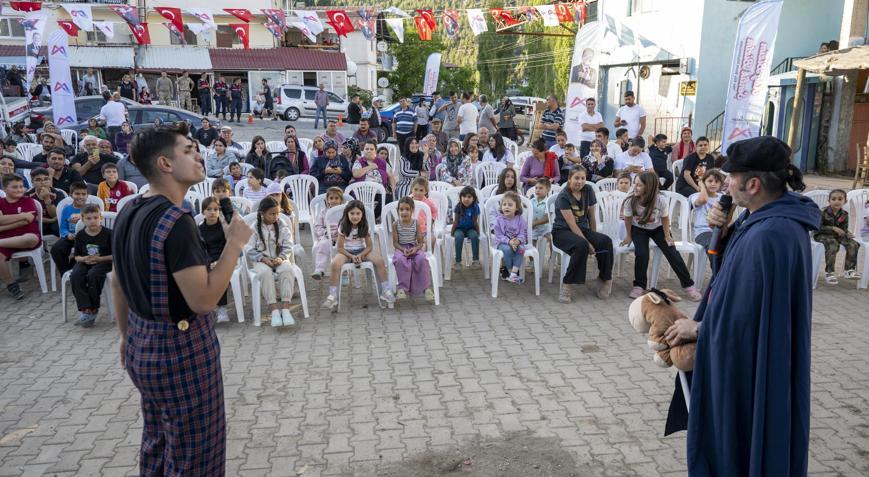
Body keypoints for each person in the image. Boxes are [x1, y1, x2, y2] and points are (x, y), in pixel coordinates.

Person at [661, 136, 818, 476]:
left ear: (754, 183)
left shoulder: (770, 234)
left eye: (732, 177)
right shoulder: (764, 219)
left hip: (748, 365)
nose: (727, 183)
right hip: (754, 356)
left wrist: (699, 328)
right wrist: (725, 230)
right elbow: (732, 280)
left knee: (737, 442)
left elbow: (746, 318)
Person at [112, 124, 252, 475]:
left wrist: (126, 335)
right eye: (188, 150)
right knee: (195, 458)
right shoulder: (177, 221)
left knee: (158, 444)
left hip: (142, 347)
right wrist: (234, 243)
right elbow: (204, 299)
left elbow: (117, 282)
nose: (198, 155)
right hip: (181, 353)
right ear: (165, 163)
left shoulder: (130, 209)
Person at [620, 171, 702, 301]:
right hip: (639, 229)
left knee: (672, 253)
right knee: (642, 254)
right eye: (635, 184)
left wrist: (667, 236)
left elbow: (665, 218)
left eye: (639, 185)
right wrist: (629, 236)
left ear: (649, 187)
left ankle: (688, 285)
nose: (635, 187)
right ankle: (639, 285)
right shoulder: (630, 200)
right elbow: (628, 219)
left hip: (659, 229)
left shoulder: (660, 200)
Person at [551, 166, 613, 303]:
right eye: (576, 178)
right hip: (562, 232)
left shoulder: (588, 190)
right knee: (581, 245)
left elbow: (591, 216)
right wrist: (589, 243)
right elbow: (572, 224)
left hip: (583, 230)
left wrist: (594, 237)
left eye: (583, 178)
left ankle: (605, 278)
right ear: (569, 179)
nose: (579, 181)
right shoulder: (563, 196)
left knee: (605, 242)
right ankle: (567, 284)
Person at [321, 200, 395, 310]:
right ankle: (333, 295)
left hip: (362, 250)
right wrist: (351, 256)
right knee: (334, 264)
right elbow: (339, 247)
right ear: (347, 214)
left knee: (379, 260)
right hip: (346, 252)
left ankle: (385, 290)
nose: (355, 216)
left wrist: (360, 255)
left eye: (358, 213)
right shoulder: (343, 226)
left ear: (362, 214)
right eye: (352, 213)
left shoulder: (364, 225)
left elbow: (369, 246)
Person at [246, 196, 297, 327]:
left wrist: (281, 257)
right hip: (261, 261)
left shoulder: (282, 225)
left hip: (280, 259)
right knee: (265, 273)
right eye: (272, 214)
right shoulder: (254, 228)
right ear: (262, 213)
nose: (275, 216)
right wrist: (263, 258)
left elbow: (288, 245)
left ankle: (286, 308)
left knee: (287, 270)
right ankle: (274, 309)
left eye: (277, 213)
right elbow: (248, 248)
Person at [69, 204, 113, 327]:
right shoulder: (81, 235)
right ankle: (85, 309)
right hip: (85, 261)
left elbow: (116, 255)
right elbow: (76, 256)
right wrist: (84, 259)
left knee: (93, 275)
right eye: (88, 218)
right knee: (76, 275)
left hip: (104, 261)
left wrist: (100, 258)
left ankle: (93, 308)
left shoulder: (109, 234)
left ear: (101, 218)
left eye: (95, 217)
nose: (92, 221)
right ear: (82, 219)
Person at [0, 174, 42, 299]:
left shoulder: (27, 200)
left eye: (21, 186)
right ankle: (11, 285)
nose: (19, 189)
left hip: (27, 237)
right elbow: (0, 220)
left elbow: (29, 220)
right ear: (5, 189)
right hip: (6, 240)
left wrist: (5, 221)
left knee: (30, 239)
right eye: (14, 187)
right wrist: (22, 215)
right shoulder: (0, 202)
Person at [391, 196, 434, 301]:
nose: (404, 212)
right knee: (400, 260)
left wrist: (415, 249)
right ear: (398, 211)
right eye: (401, 209)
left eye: (407, 209)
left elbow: (420, 242)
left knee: (421, 259)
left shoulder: (416, 223)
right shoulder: (395, 224)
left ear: (412, 211)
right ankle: (402, 288)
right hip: (401, 248)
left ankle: (426, 288)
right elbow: (395, 243)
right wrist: (402, 250)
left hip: (414, 247)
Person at [815, 189, 861, 284]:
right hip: (822, 235)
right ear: (829, 201)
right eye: (833, 199)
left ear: (845, 201)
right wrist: (832, 228)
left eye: (840, 199)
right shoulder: (823, 212)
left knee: (853, 244)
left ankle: (849, 270)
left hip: (837, 235)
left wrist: (847, 233)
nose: (837, 201)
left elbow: (843, 228)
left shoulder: (844, 214)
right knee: (833, 244)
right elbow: (817, 227)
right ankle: (830, 272)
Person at [198, 198, 231, 323]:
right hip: (207, 260)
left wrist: (220, 261)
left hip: (223, 259)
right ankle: (208, 309)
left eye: (216, 209)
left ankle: (222, 308)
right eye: (209, 209)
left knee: (218, 274)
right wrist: (209, 262)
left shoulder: (223, 227)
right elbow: (200, 249)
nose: (212, 212)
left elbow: (228, 246)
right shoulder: (199, 229)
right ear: (203, 212)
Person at [689, 168, 725, 258]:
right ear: (704, 183)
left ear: (720, 184)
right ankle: (717, 271)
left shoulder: (722, 197)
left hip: (720, 231)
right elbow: (703, 200)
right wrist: (701, 185)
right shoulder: (696, 197)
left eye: (716, 182)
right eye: (710, 181)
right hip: (703, 232)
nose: (713, 184)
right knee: (714, 247)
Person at [312, 187, 345, 279]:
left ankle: (344, 274)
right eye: (331, 198)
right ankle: (320, 270)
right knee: (322, 245)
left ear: (341, 200)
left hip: (341, 236)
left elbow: (348, 224)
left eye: (336, 198)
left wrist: (342, 233)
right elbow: (318, 226)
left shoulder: (345, 211)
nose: (333, 200)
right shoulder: (323, 212)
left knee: (343, 250)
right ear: (327, 200)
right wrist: (324, 233)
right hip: (327, 235)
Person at [352, 142, 395, 215]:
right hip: (363, 191)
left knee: (388, 198)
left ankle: (373, 218)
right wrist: (370, 167)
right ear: (363, 150)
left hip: (379, 191)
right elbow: (356, 174)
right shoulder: (359, 162)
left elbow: (391, 176)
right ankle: (369, 219)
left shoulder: (382, 162)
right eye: (367, 149)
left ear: (375, 151)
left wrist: (392, 187)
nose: (369, 151)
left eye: (371, 149)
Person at [494, 192, 527, 284]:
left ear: (516, 207)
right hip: (503, 243)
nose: (506, 207)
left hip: (517, 243)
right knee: (508, 250)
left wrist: (518, 241)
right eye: (504, 204)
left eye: (510, 205)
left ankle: (513, 273)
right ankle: (509, 270)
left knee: (521, 249)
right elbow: (498, 235)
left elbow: (523, 233)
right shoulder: (498, 220)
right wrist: (509, 241)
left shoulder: (520, 219)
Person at [26, 168, 64, 236]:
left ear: (50, 180)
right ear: (32, 182)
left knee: (57, 228)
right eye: (38, 180)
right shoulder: (27, 196)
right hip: (38, 221)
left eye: (46, 179)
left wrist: (47, 198)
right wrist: (51, 220)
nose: (43, 182)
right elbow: (32, 217)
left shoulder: (58, 194)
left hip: (56, 222)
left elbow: (55, 215)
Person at [451, 186, 481, 267]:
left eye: (469, 197)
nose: (466, 199)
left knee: (474, 236)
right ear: (460, 197)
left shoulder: (475, 207)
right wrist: (452, 232)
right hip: (459, 229)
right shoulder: (458, 206)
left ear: (473, 198)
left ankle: (476, 260)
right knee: (459, 237)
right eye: (464, 196)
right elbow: (456, 221)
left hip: (471, 228)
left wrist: (478, 232)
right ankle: (458, 261)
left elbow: (475, 221)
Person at [530, 177, 552, 244]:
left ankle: (552, 254)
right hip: (533, 228)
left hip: (545, 229)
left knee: (551, 239)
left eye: (541, 188)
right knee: (531, 242)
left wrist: (533, 223)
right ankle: (533, 254)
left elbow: (547, 218)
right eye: (536, 188)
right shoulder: (531, 201)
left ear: (548, 190)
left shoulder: (549, 202)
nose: (537, 190)